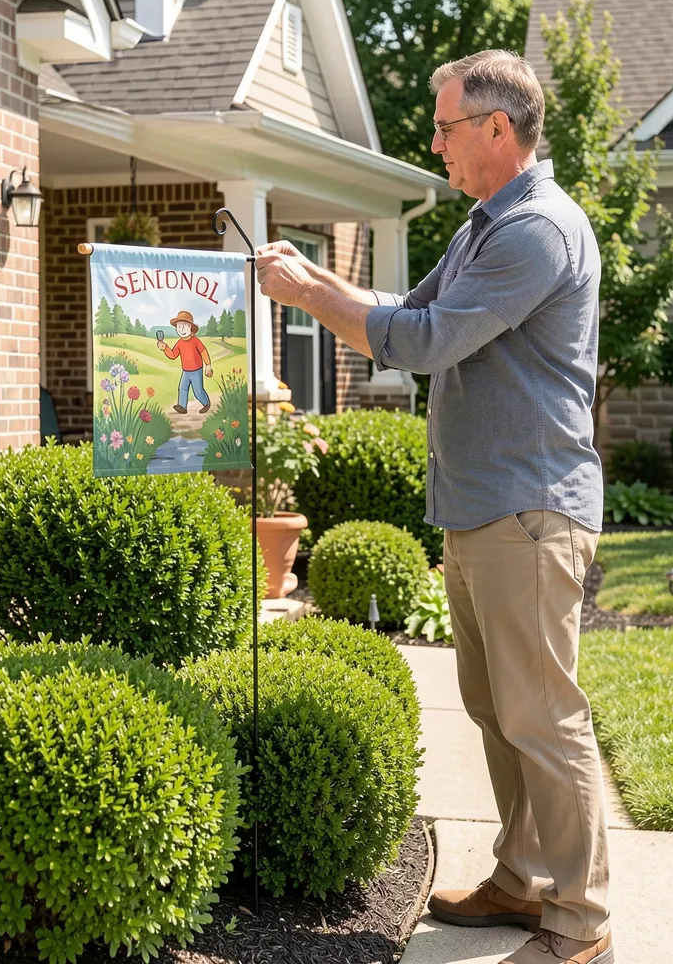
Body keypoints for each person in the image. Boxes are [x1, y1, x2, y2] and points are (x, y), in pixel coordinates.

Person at [254, 50, 612, 964]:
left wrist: (309, 296)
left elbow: (422, 342)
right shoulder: (482, 228)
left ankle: (581, 927)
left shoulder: (538, 230)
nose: (435, 142)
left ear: (499, 129)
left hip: (529, 511)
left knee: (544, 716)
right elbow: (398, 306)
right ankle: (523, 880)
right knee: (497, 711)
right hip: (485, 507)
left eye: (447, 126)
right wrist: (321, 284)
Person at [158, 310, 213, 414]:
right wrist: (165, 348)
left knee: (198, 392)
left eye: (184, 325)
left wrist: (208, 365)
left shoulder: (195, 340)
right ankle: (182, 406)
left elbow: (203, 351)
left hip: (196, 370)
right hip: (186, 371)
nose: (181, 328)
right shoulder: (179, 343)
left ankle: (206, 403)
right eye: (179, 326)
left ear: (191, 328)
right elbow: (173, 355)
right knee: (182, 388)